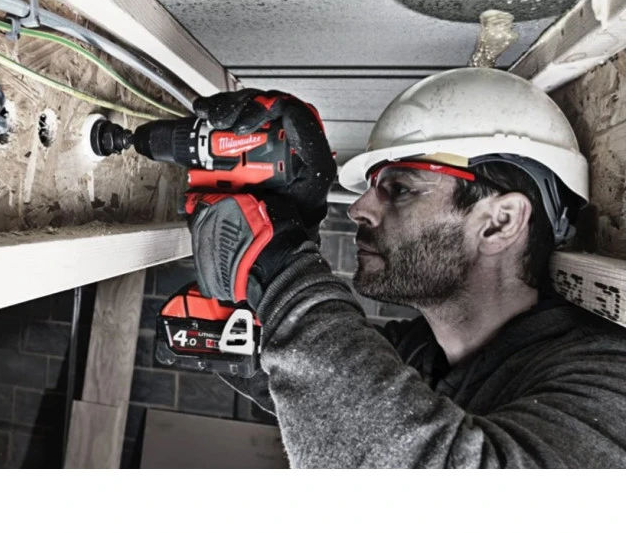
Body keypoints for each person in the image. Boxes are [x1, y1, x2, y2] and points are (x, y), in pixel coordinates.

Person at [185, 67, 626, 468]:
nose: (357, 209)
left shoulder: (607, 381)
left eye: (399, 189)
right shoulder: (419, 355)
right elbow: (298, 383)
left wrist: (284, 272)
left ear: (500, 222)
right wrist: (267, 256)